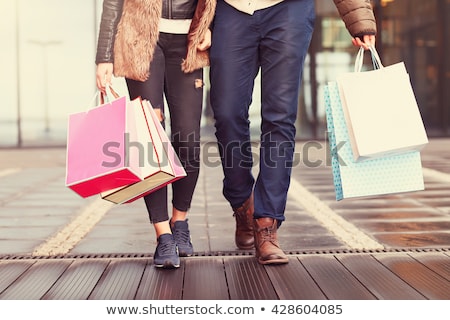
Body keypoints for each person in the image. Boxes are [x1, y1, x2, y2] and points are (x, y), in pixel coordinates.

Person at [209, 0, 376, 265]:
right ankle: (242, 201)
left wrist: (360, 20)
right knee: (227, 114)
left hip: (288, 10)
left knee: (279, 118)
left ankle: (266, 224)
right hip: (232, 10)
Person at [95, 0, 215, 268]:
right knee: (150, 140)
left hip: (189, 42)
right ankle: (163, 234)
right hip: (141, 38)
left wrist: (212, 28)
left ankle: (179, 219)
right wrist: (104, 55)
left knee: (189, 140)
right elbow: (113, 3)